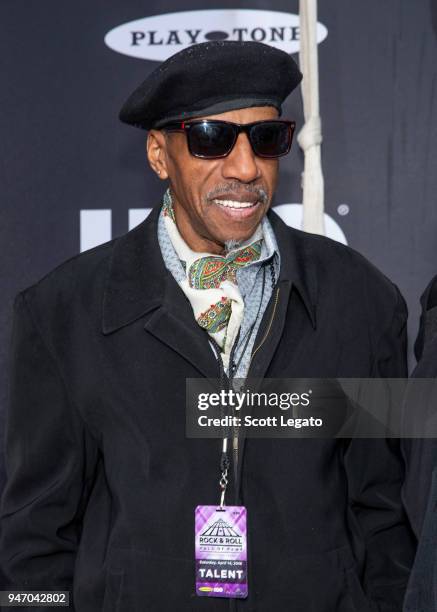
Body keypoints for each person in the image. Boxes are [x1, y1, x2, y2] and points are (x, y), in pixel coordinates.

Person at [0, 41, 415, 611]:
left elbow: (386, 515)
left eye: (266, 139)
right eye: (212, 137)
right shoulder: (62, 314)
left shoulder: (360, 301)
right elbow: (33, 538)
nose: (245, 168)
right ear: (158, 154)